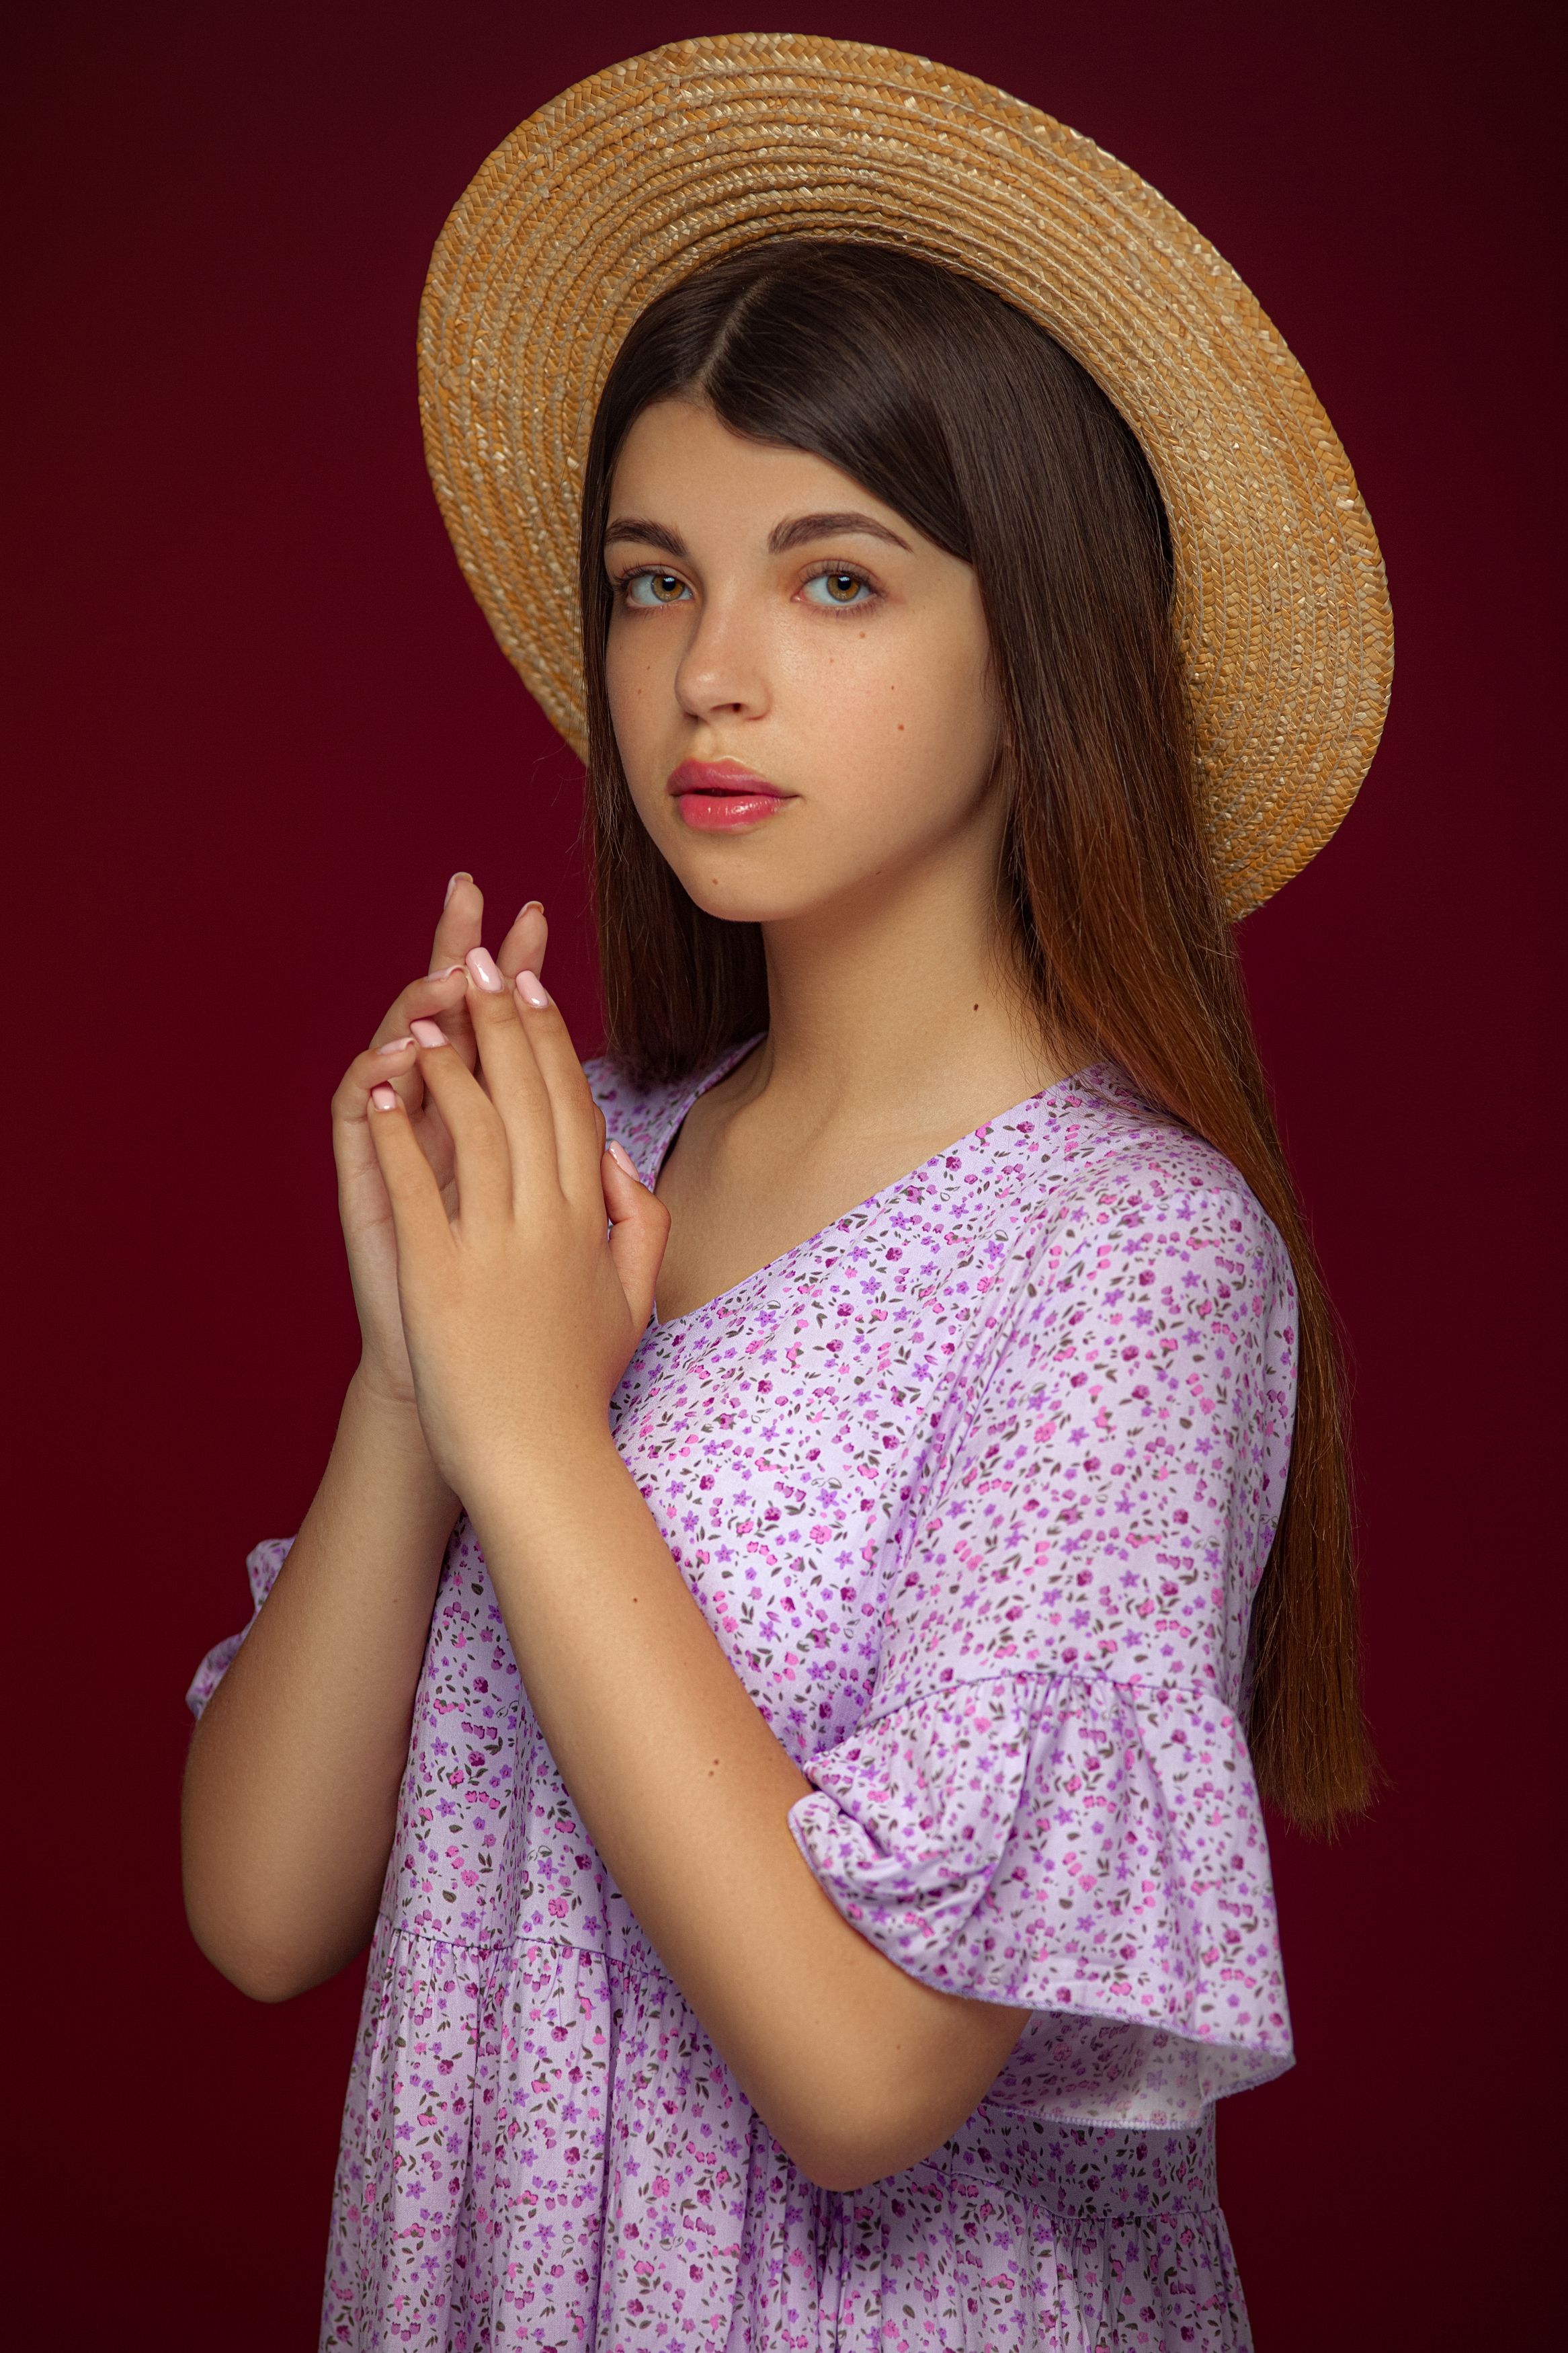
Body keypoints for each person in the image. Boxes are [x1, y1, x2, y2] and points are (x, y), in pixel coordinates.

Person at [180, 36, 1391, 2350]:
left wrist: (534, 1425)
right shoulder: (585, 1172)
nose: (708, 676)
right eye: (653, 582)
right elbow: (258, 1905)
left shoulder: (1130, 1254)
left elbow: (864, 2081)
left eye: (836, 580)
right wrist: (415, 1377)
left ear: (1041, 641)